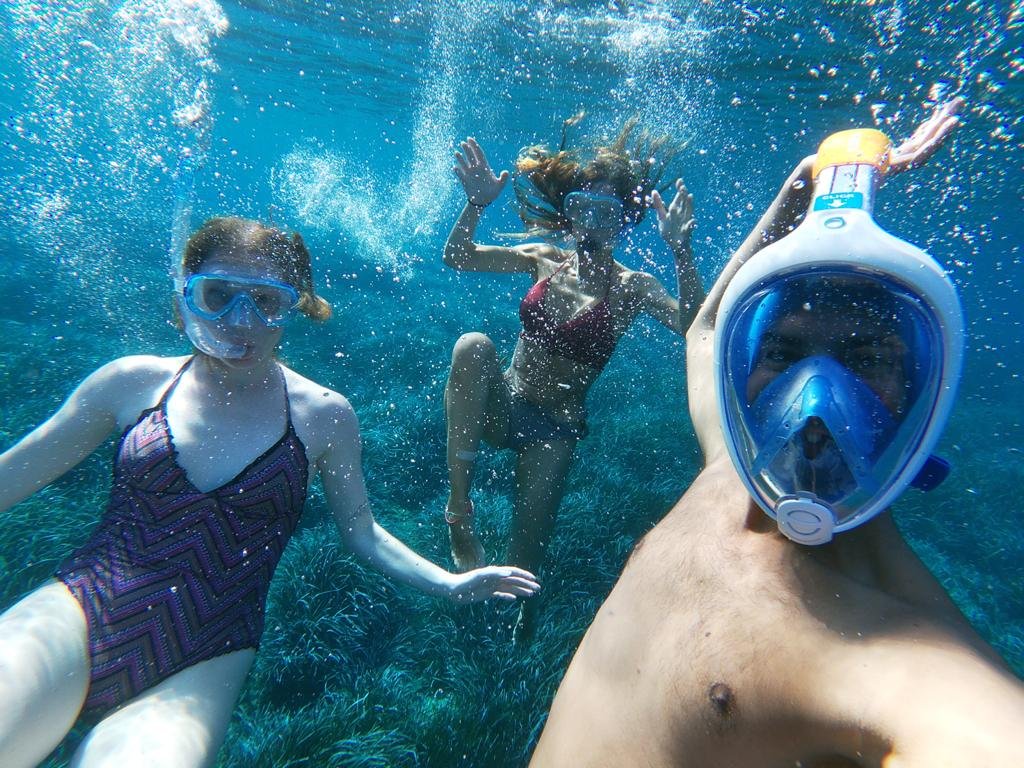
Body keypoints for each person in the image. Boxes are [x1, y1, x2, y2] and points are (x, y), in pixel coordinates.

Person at [530, 99, 1024, 766]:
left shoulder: (904, 644)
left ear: (920, 399)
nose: (817, 397)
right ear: (745, 374)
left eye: (867, 359)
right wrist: (808, 184)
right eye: (785, 356)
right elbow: (707, 327)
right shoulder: (723, 473)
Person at [0, 216, 540, 768]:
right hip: (76, 612)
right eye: (218, 296)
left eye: (266, 302)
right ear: (188, 293)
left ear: (294, 307)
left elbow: (365, 535)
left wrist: (447, 584)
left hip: (204, 658)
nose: (242, 321)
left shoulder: (324, 416)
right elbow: (12, 475)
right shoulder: (130, 382)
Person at [441, 117, 704, 639]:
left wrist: (681, 251)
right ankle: (459, 514)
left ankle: (523, 620)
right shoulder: (545, 259)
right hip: (506, 401)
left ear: (623, 221)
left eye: (607, 214)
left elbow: (693, 325)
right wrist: (475, 205)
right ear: (569, 212)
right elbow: (457, 257)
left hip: (554, 431)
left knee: (523, 567)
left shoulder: (633, 286)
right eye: (584, 208)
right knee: (474, 346)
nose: (593, 223)